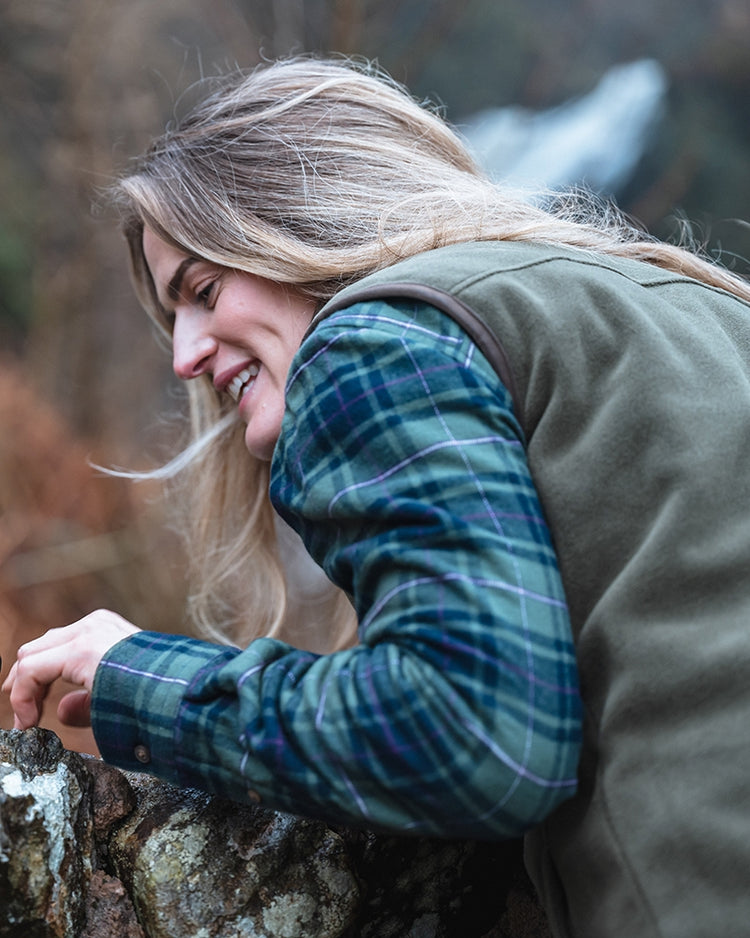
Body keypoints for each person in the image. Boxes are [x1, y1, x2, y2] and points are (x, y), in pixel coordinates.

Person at [4, 56, 750, 938]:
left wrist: (138, 676)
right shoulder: (697, 306)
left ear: (300, 223)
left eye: (202, 292)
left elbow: (474, 737)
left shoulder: (369, 341)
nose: (186, 357)